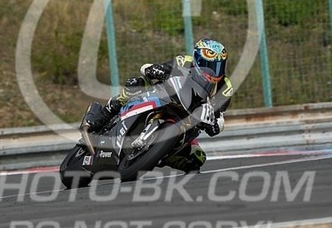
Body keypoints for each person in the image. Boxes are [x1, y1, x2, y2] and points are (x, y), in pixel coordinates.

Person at [82, 38, 233, 173]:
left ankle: (159, 155)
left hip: (187, 124)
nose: (213, 71)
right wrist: (155, 69)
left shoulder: (225, 87)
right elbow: (154, 68)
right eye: (208, 65)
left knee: (198, 158)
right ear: (197, 60)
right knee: (136, 84)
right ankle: (105, 114)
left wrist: (214, 124)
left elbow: (220, 117)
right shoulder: (184, 61)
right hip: (163, 97)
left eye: (218, 66)